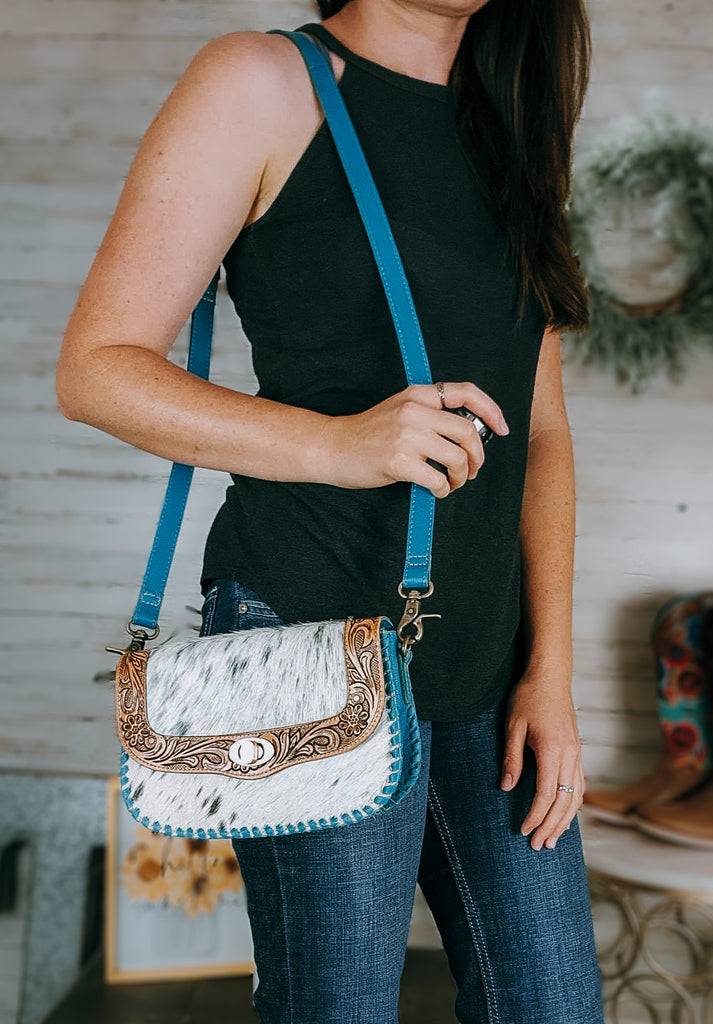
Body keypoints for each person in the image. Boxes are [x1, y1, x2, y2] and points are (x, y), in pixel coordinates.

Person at [57, 1, 604, 1021]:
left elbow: (547, 432)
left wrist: (553, 670)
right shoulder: (264, 82)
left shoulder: (511, 117)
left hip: (489, 655)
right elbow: (96, 368)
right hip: (310, 629)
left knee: (556, 1004)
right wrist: (339, 443)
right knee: (338, 1006)